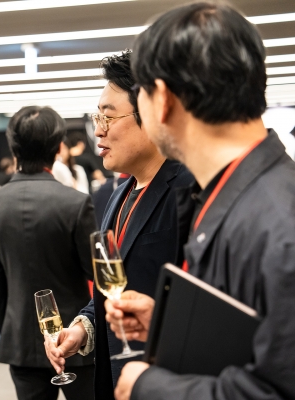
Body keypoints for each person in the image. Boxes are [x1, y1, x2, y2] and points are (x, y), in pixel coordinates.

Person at [102, 4, 295, 400]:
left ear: (163, 100)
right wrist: (170, 327)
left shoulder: (278, 224)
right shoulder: (234, 194)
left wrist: (147, 386)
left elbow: (276, 390)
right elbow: (252, 341)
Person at [43, 50, 194, 400]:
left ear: (152, 115)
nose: (98, 130)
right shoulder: (118, 194)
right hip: (113, 379)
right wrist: (83, 327)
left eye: (109, 117)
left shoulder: (187, 191)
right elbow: (110, 289)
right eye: (97, 117)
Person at [0, 106, 96, 400]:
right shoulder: (76, 203)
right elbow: (97, 274)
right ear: (58, 149)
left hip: (20, 340)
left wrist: (11, 327)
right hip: (76, 338)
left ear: (13, 148)